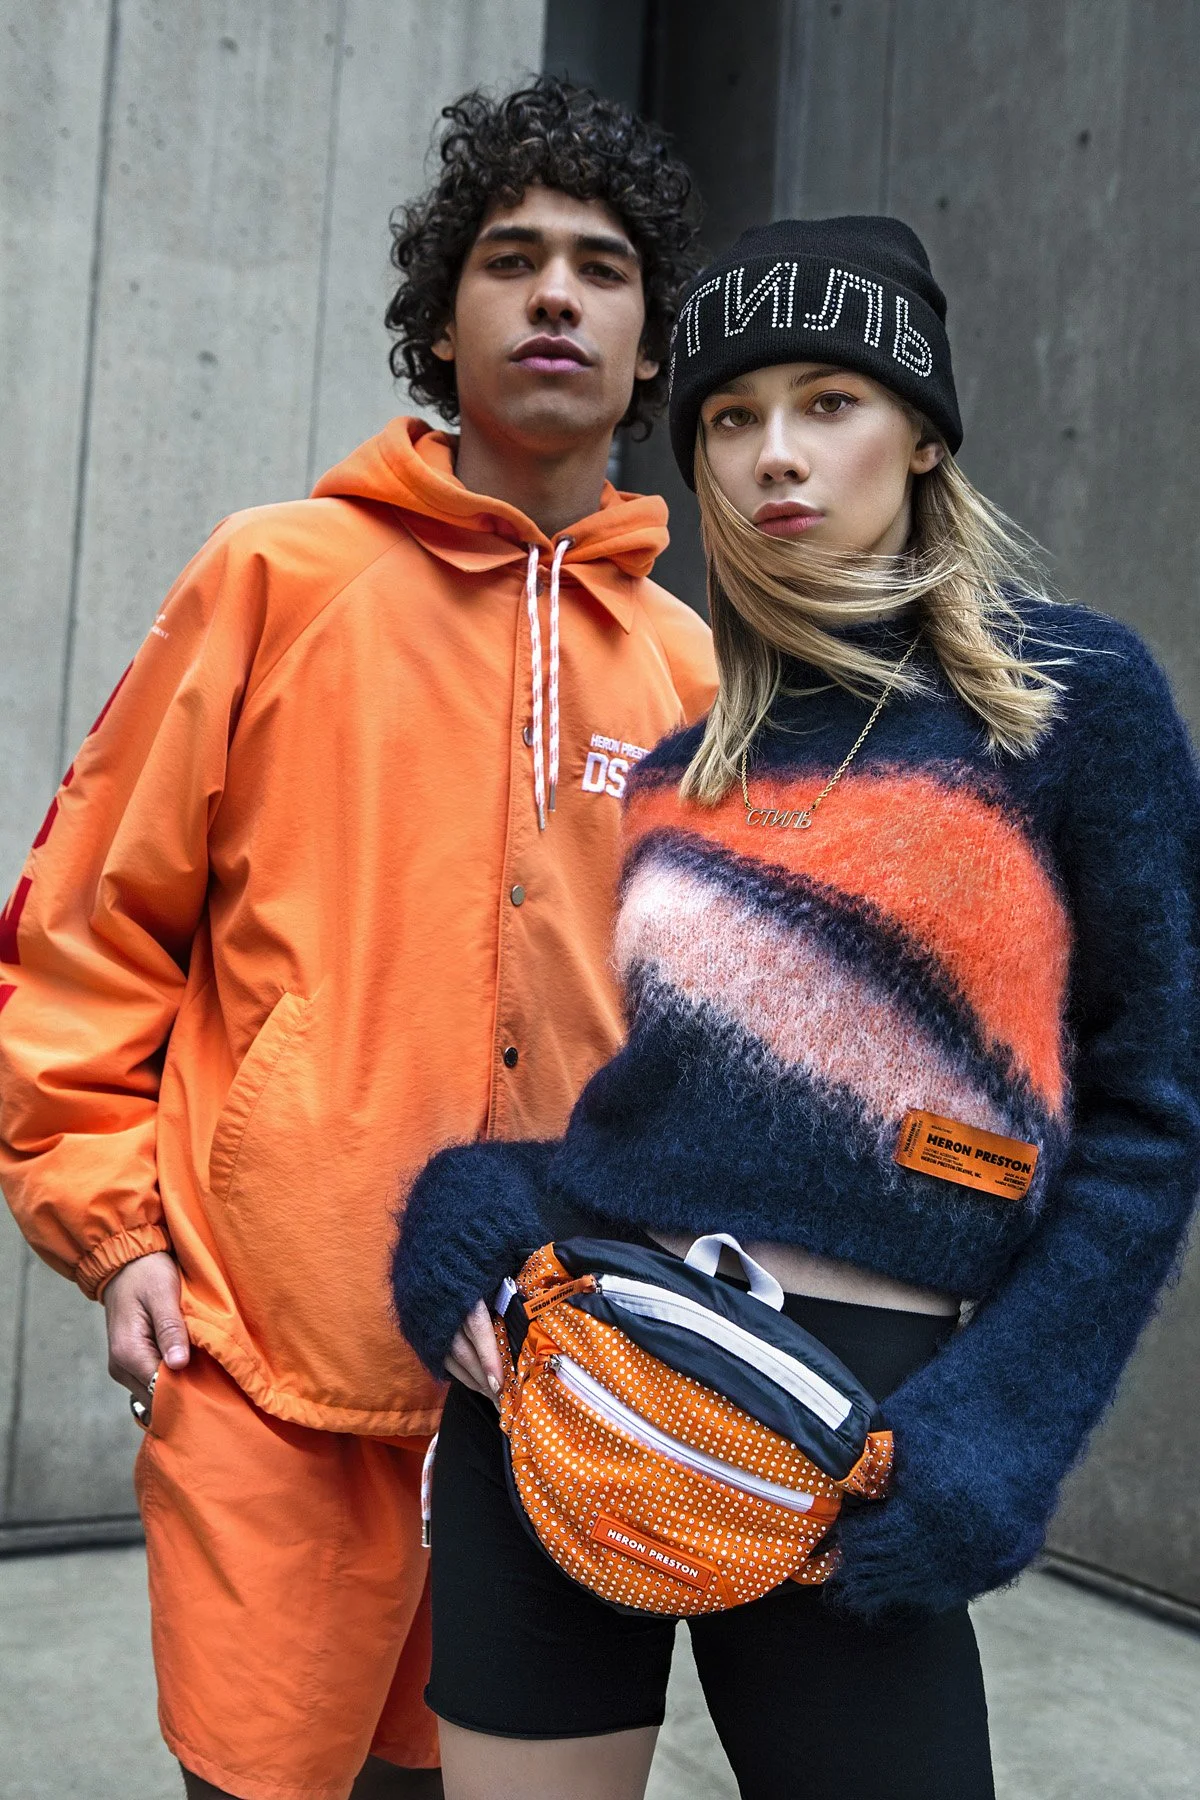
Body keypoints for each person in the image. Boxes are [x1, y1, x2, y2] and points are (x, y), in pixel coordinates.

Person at [392, 216, 1200, 1800]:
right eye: (731, 418)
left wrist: (1002, 1426)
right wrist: (481, 1202)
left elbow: (1153, 1116)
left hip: (871, 1443)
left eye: (831, 402)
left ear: (924, 433)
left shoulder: (1073, 704)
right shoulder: (684, 766)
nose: (777, 453)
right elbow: (671, 1118)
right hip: (570, 1378)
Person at [0, 78, 714, 1800]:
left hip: (557, 1390)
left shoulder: (689, 667)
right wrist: (113, 1227)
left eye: (602, 267)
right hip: (267, 1357)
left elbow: (706, 1040)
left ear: (646, 341)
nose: (555, 295)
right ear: (442, 321)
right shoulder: (277, 575)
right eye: (510, 258)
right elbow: (88, 923)